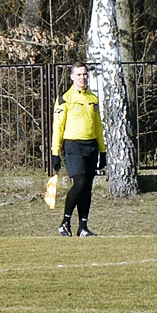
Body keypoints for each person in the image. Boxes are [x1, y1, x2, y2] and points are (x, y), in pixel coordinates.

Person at [51, 61, 106, 237]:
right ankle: (65, 222)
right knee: (79, 183)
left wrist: (102, 150)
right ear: (72, 76)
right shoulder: (64, 99)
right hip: (73, 145)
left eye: (85, 74)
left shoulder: (92, 98)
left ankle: (83, 227)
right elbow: (57, 127)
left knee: (87, 187)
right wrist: (55, 152)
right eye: (79, 74)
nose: (82, 78)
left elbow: (98, 126)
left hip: (91, 146)